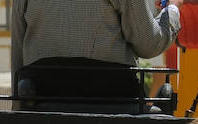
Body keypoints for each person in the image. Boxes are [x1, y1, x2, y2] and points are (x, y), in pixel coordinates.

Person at [12, 0, 181, 112]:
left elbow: (18, 52)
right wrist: (173, 10)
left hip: (40, 97)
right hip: (112, 100)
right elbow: (149, 44)